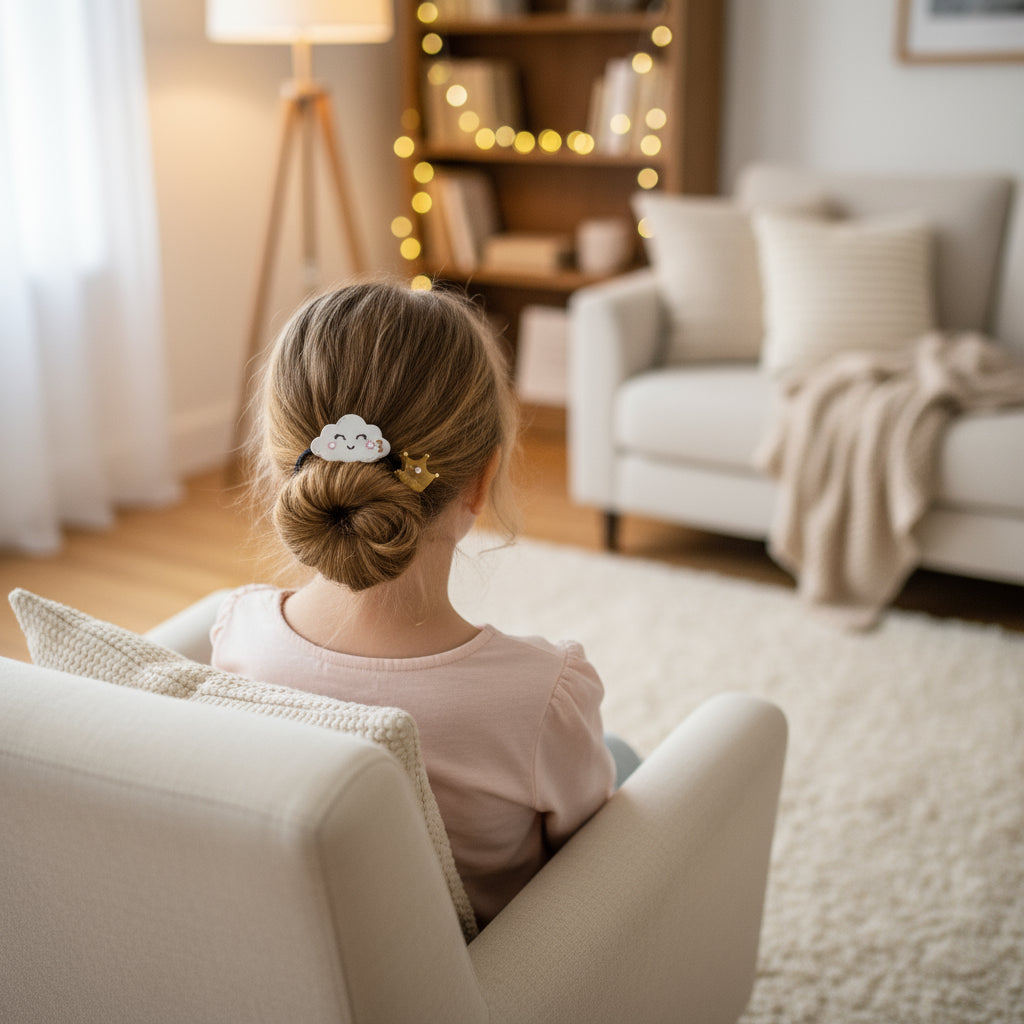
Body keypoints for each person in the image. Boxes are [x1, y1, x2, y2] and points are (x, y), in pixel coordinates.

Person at [211, 280, 620, 928]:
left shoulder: (238, 635)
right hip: (498, 973)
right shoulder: (543, 697)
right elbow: (594, 859)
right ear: (481, 480)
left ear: (285, 461)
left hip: (299, 949)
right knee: (622, 757)